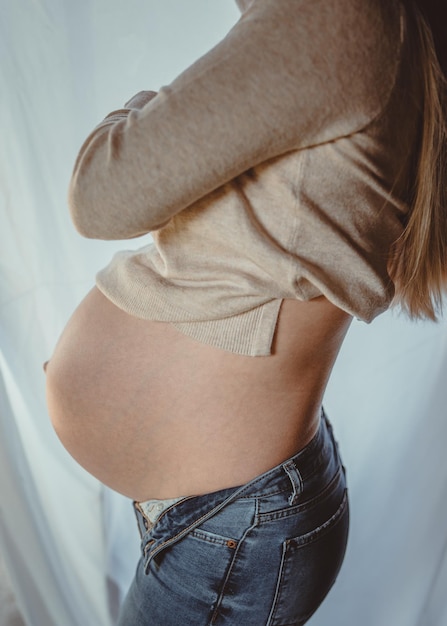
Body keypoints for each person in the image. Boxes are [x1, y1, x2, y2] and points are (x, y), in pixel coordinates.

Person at [44, 0, 447, 623]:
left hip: (231, 525)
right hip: (231, 514)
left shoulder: (338, 20)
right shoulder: (361, 27)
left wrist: (154, 107)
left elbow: (98, 193)